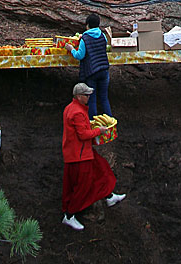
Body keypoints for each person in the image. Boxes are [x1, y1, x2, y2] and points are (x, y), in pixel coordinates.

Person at [61, 82, 126, 231]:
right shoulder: (77, 112)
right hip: (79, 155)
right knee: (82, 185)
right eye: (86, 95)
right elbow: (83, 134)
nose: (89, 97)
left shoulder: (70, 108)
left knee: (100, 169)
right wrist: (99, 131)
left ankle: (109, 196)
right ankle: (69, 215)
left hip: (79, 152)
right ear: (79, 96)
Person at [66, 13, 112, 119]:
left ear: (87, 25)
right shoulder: (102, 36)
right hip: (104, 70)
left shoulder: (85, 38)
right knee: (104, 98)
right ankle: (109, 122)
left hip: (92, 72)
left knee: (91, 99)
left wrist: (71, 49)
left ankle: (92, 122)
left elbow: (80, 55)